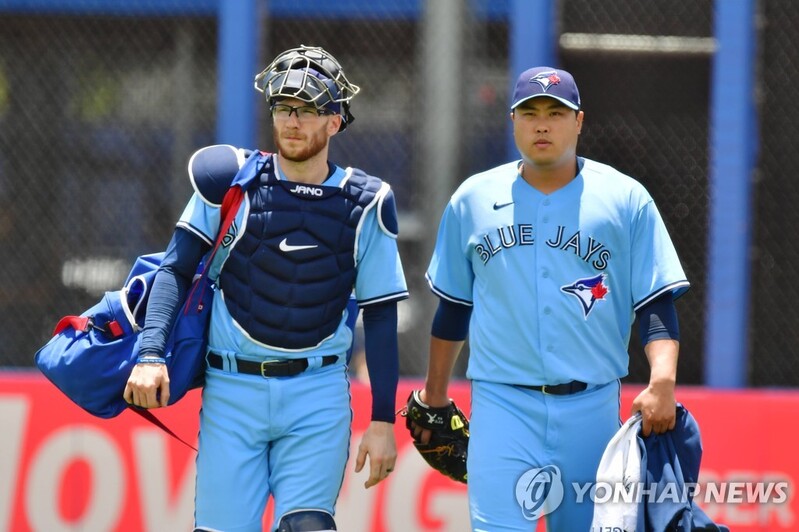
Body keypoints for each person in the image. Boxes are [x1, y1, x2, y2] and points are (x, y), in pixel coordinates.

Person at [124, 45, 409, 532]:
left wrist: (383, 420)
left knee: (308, 526)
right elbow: (174, 270)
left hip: (317, 390)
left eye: (307, 109)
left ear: (335, 121)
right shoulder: (229, 179)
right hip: (232, 388)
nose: (292, 121)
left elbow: (380, 313)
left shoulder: (367, 202)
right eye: (283, 107)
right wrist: (150, 354)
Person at [412, 66, 690, 530]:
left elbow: (655, 304)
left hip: (593, 409)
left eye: (556, 113)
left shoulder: (625, 199)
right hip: (503, 405)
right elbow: (455, 308)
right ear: (513, 121)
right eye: (530, 113)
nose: (542, 125)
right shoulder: (472, 200)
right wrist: (435, 394)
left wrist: (662, 380)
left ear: (579, 121)